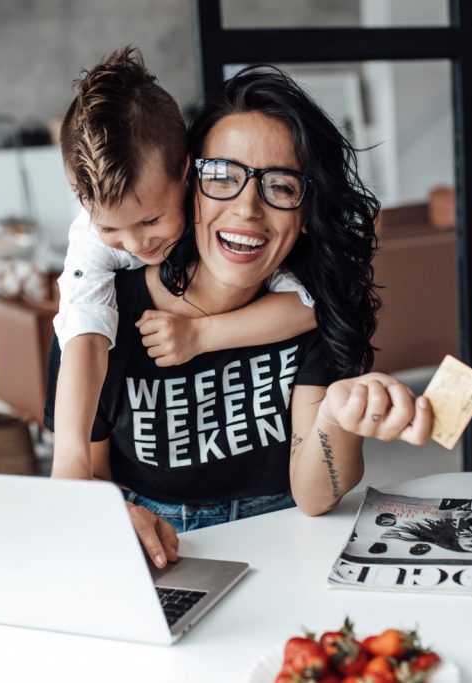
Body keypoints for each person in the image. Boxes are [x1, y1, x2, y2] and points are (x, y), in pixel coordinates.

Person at [45, 65, 434, 568]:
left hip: (283, 545)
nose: (248, 209)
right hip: (159, 552)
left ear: (306, 207)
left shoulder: (316, 306)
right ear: (192, 182)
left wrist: (338, 415)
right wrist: (111, 514)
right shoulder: (101, 314)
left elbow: (315, 497)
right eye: (224, 177)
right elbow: (84, 478)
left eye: (281, 186)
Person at [52, 47, 316, 483]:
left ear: (188, 174)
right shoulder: (89, 241)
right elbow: (84, 333)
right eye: (111, 229)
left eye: (152, 220)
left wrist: (201, 335)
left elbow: (311, 303)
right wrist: (70, 466)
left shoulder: (227, 214)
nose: (137, 245)